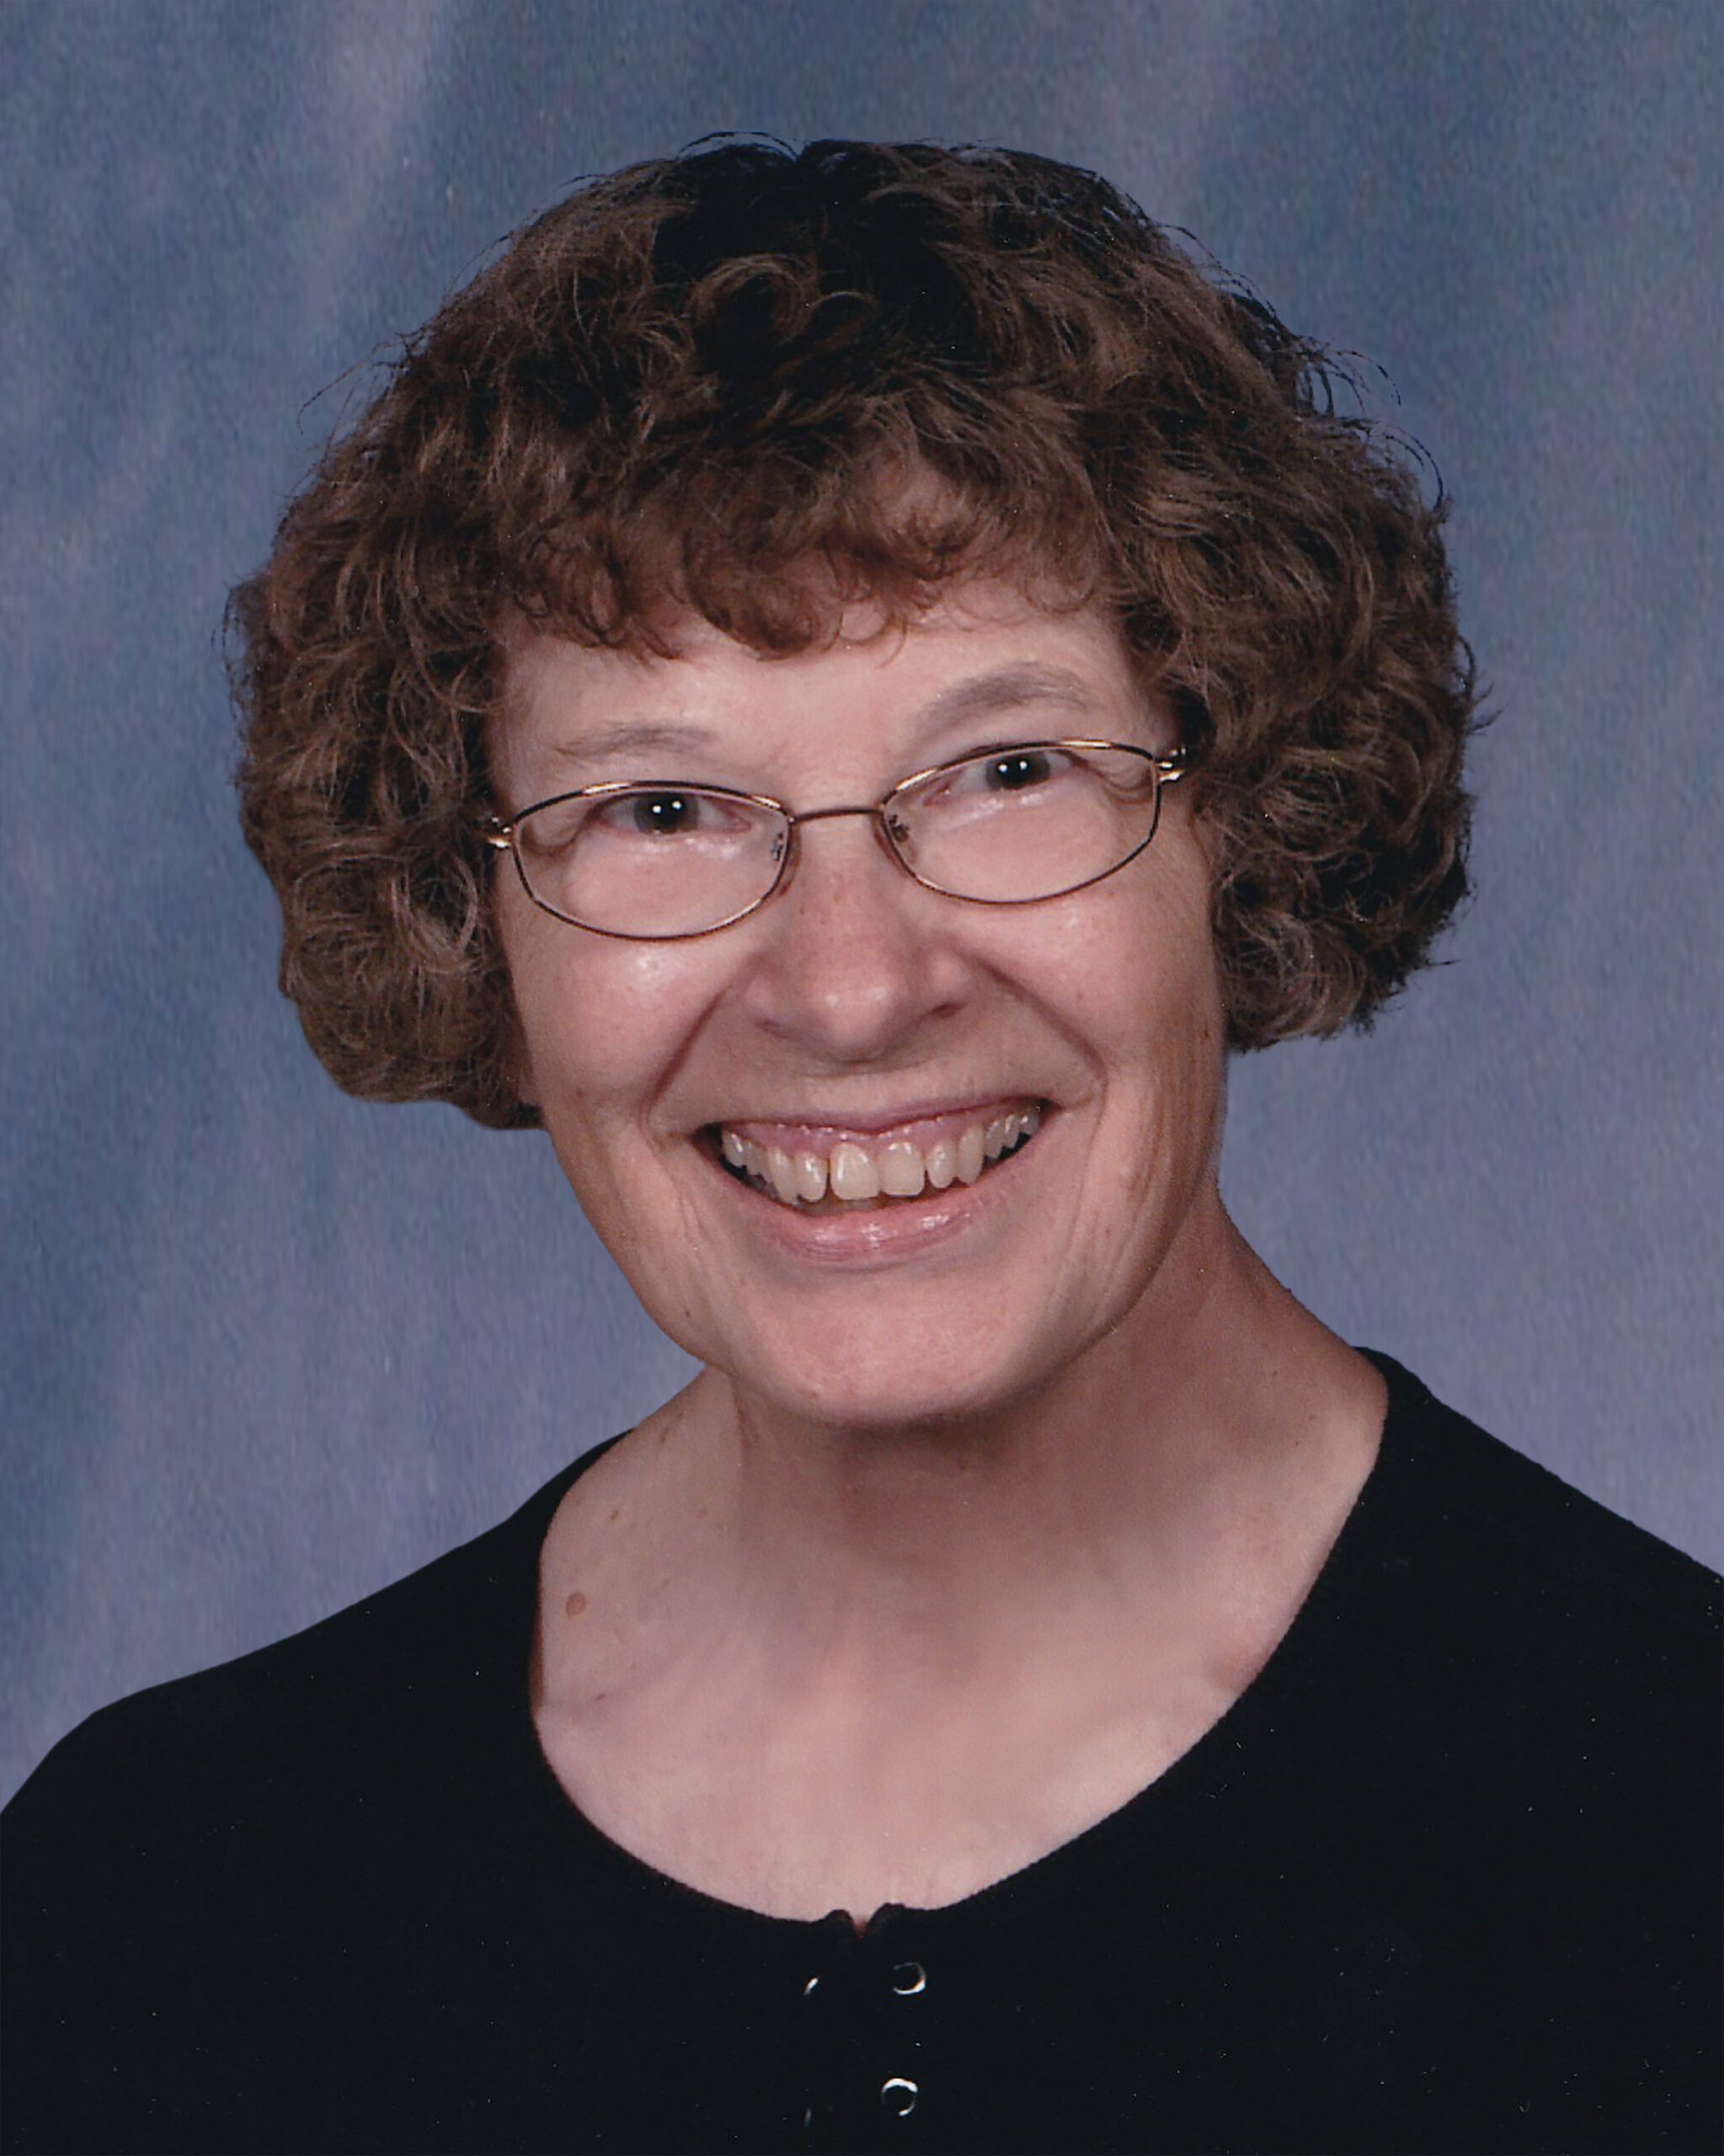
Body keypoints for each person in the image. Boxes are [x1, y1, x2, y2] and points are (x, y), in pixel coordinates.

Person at [3, 138, 1716, 2156]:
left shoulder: (1667, 1825)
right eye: (659, 808)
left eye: (1005, 769)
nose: (847, 986)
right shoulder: (156, 1894)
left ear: (1247, 817)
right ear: (477, 919)